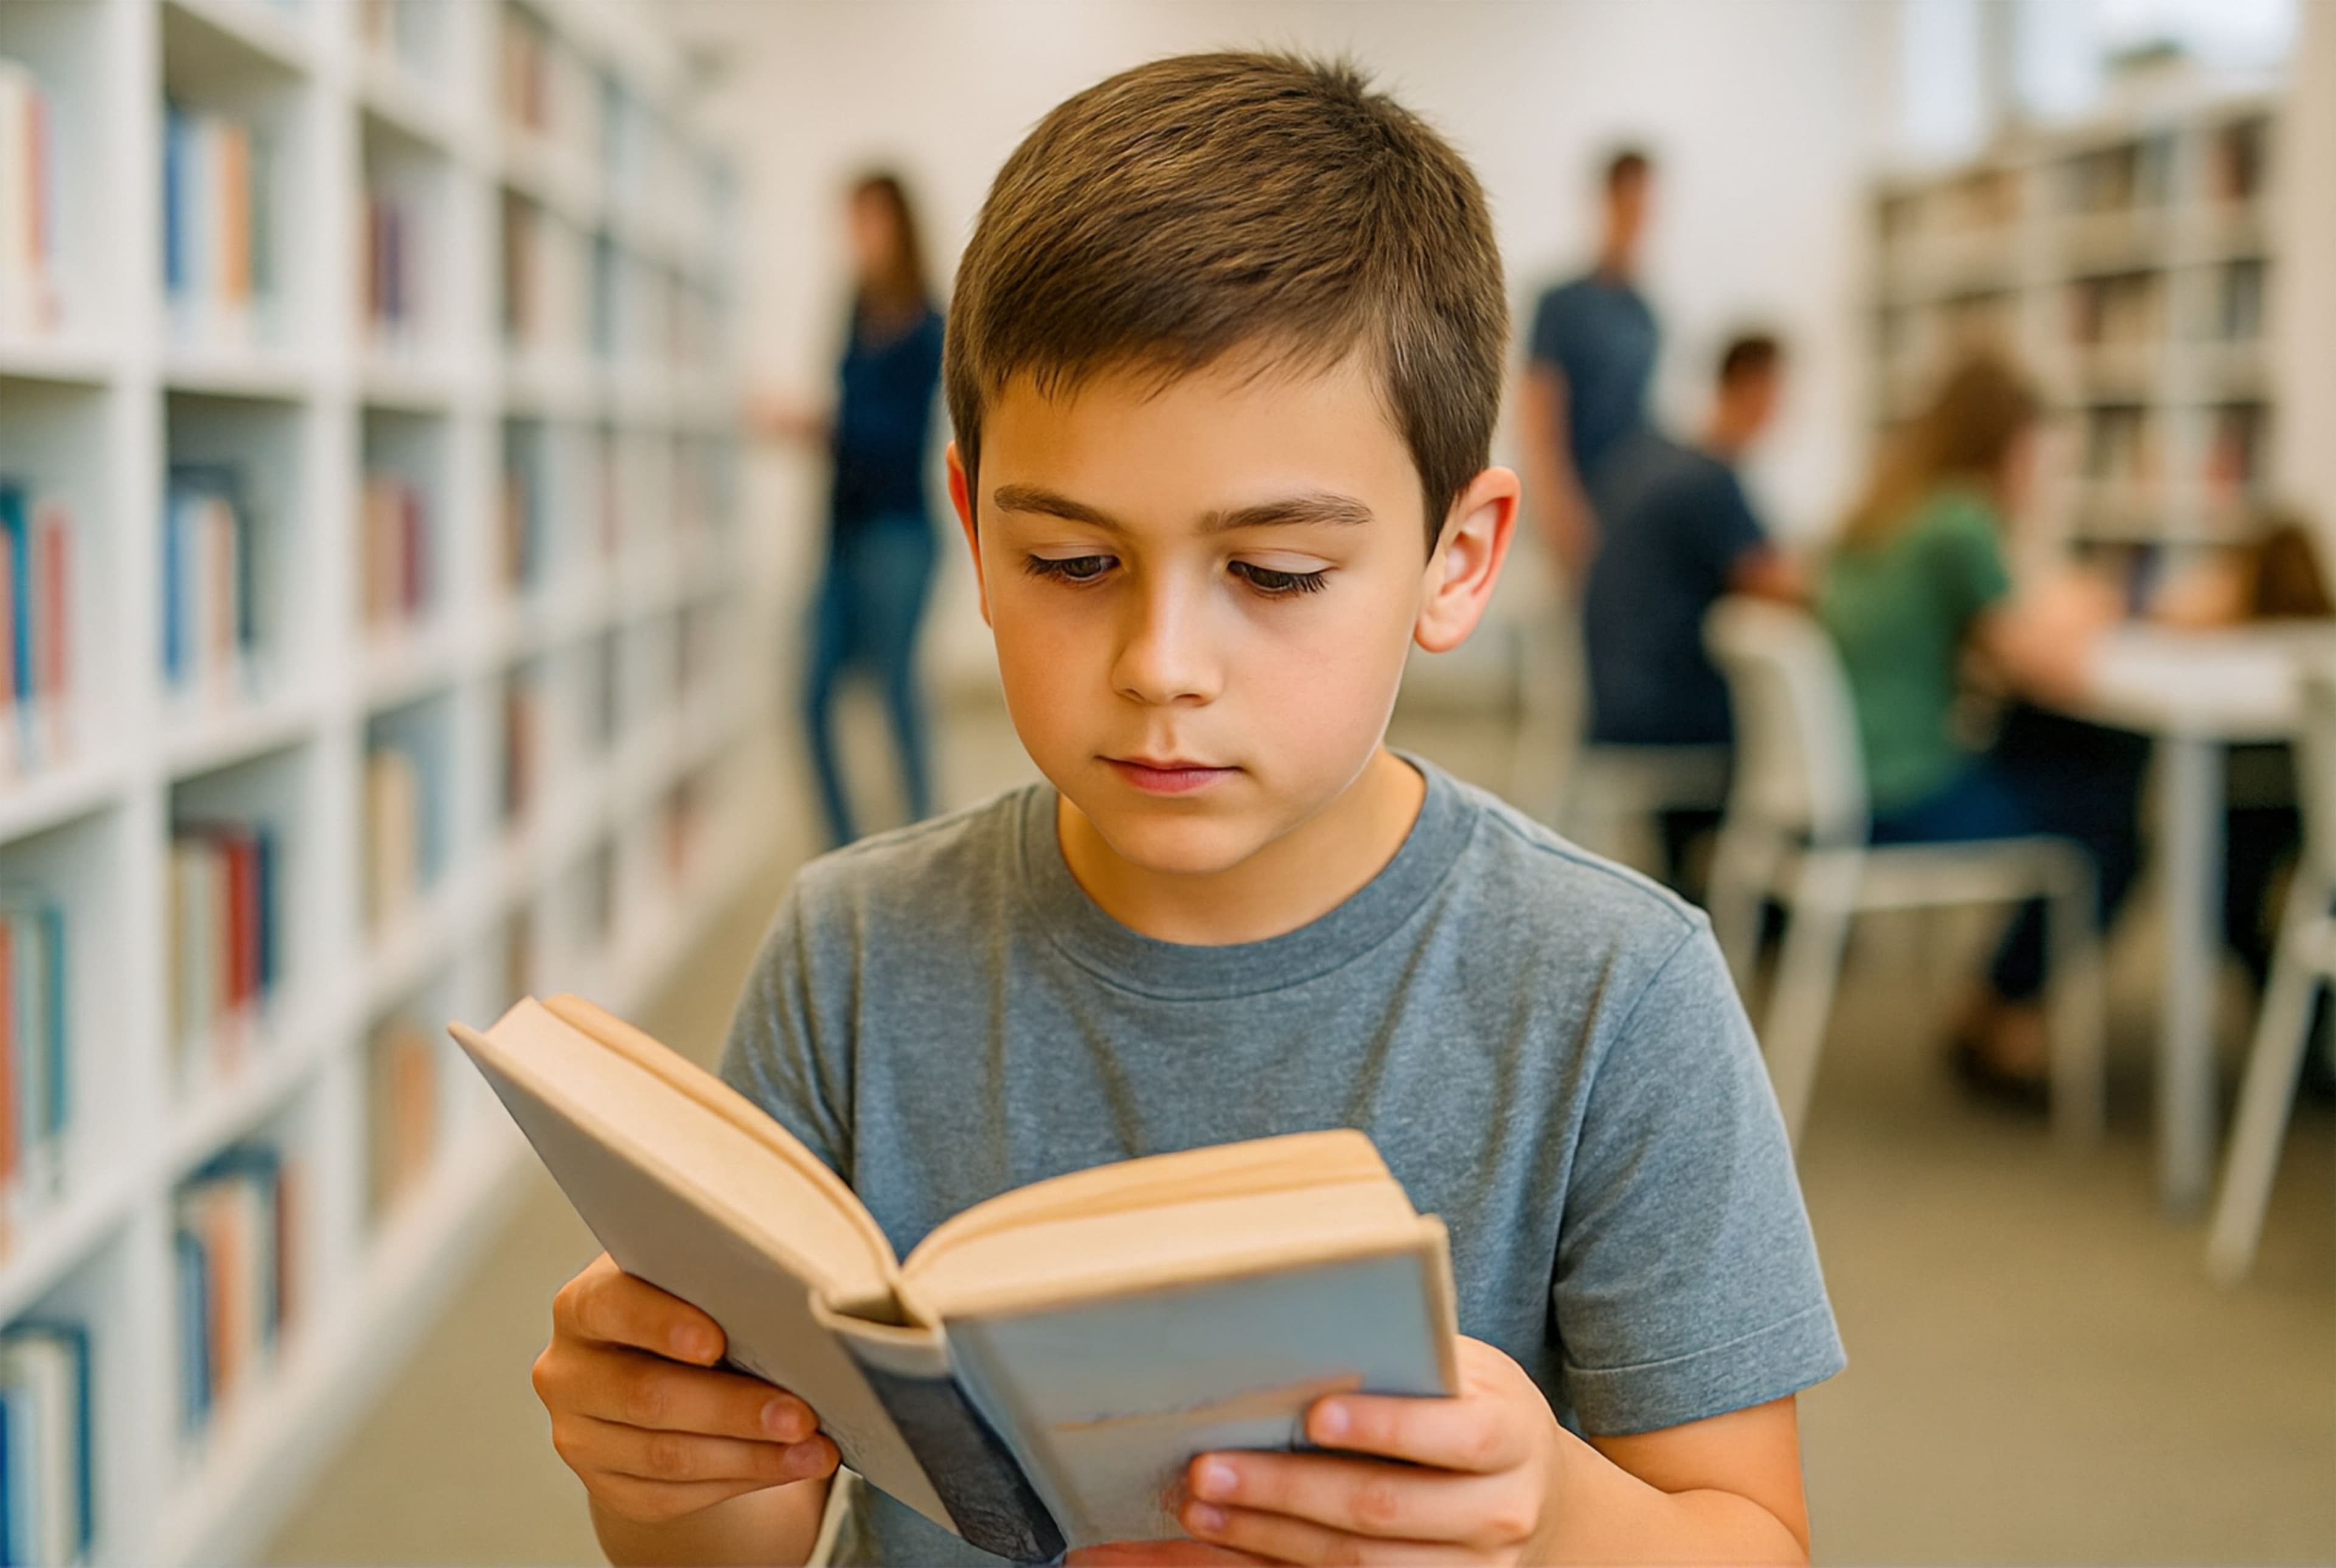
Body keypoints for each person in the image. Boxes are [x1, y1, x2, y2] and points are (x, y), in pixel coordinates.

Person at [535, 55, 1841, 1568]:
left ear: (1457, 559)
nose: (1160, 669)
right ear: (971, 525)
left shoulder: (1615, 991)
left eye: (1275, 574)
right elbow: (736, 1548)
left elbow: (1750, 1537)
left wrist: (1548, 1512)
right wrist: (667, 1473)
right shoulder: (853, 948)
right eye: (1072, 564)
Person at [1818, 356, 2147, 1099]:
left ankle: (1994, 1003)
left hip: (1846, 782)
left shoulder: (1882, 513)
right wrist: (2107, 601)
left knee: (2054, 748)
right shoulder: (1959, 520)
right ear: (2005, 443)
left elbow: (2000, 638)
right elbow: (2043, 662)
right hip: (1899, 797)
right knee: (2107, 821)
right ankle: (1999, 1011)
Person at [754, 172, 945, 847]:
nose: (858, 238)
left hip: (900, 534)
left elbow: (899, 439)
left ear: (899, 227)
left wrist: (819, 425)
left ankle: (929, 844)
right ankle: (844, 852)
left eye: (869, 222)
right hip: (844, 535)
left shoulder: (927, 323)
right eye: (851, 223)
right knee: (809, 696)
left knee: (896, 697)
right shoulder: (854, 308)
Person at [1582, 331, 1802, 892]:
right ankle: (1771, 902)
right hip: (1665, 716)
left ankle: (1696, 875)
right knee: (1782, 714)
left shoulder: (1646, 460)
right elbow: (1777, 585)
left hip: (1610, 695)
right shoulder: (1711, 482)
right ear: (1754, 389)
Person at [1521, 147, 1659, 588]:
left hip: (1628, 512)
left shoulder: (1646, 315)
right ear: (1608, 200)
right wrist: (1559, 510)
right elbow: (1539, 410)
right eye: (1630, 199)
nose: (1638, 214)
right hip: (1574, 505)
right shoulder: (1562, 304)